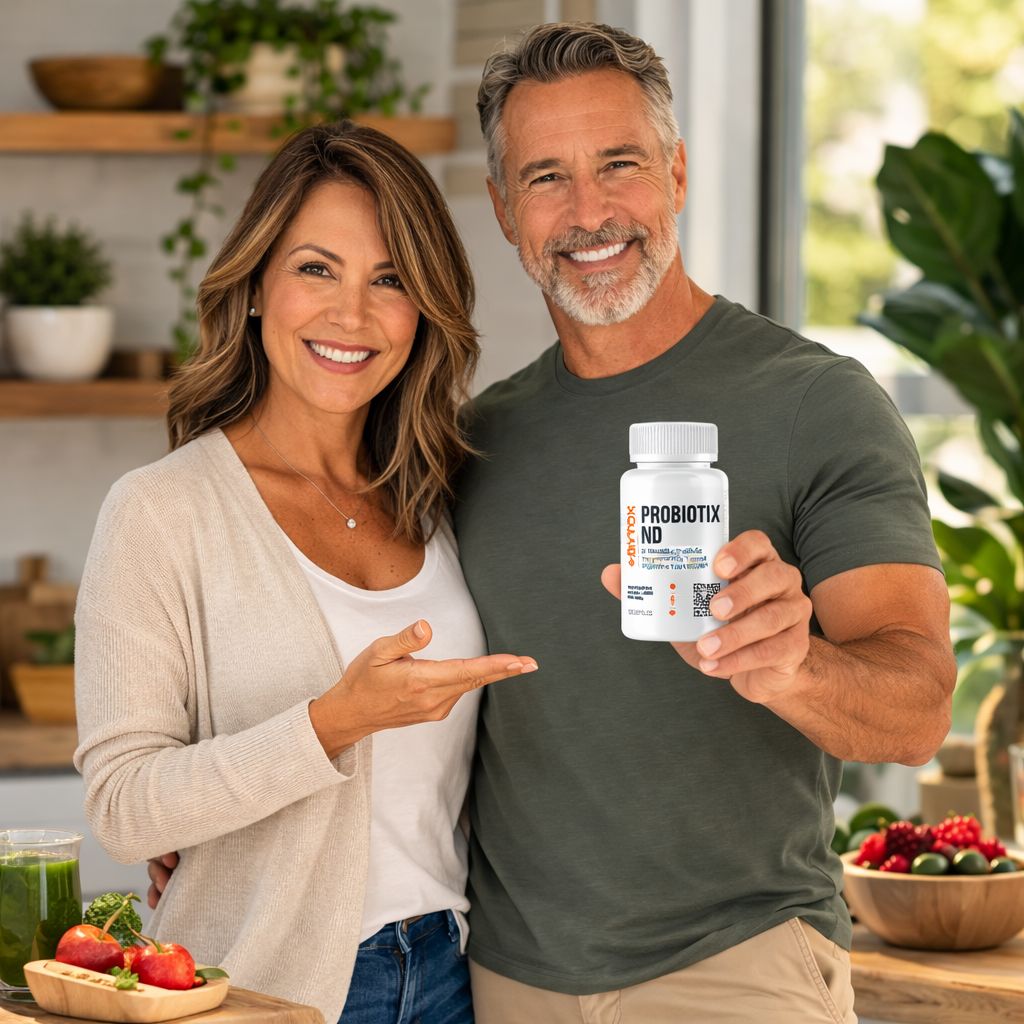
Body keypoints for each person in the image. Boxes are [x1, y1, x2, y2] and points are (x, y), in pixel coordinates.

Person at [451, 22, 956, 1024]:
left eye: (620, 164)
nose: (588, 211)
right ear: (506, 212)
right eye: (546, 177)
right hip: (502, 981)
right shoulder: (474, 441)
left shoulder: (818, 404)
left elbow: (918, 710)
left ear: (676, 173)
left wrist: (796, 666)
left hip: (733, 971)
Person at [73, 121, 536, 1024]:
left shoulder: (442, 493)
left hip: (455, 973)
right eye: (316, 268)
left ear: (424, 308)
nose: (351, 315)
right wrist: (330, 724)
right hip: (271, 987)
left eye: (390, 279)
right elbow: (126, 809)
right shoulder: (161, 511)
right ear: (254, 286)